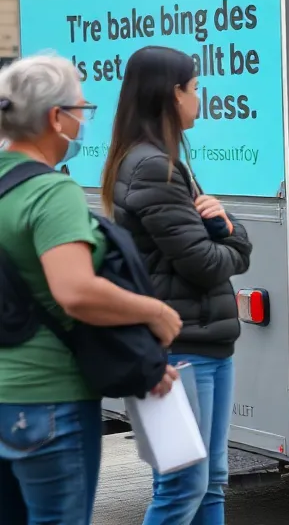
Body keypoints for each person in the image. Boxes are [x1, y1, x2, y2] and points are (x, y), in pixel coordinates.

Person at [0, 53, 180, 525]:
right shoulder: (50, 191)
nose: (84, 121)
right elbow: (76, 291)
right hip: (48, 401)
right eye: (82, 109)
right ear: (55, 118)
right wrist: (154, 312)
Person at [99, 46, 253, 525]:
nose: (200, 97)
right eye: (196, 87)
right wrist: (235, 234)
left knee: (210, 483)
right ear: (173, 95)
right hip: (182, 349)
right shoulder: (153, 168)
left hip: (204, 343)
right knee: (183, 485)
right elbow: (206, 264)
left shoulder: (156, 162)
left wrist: (222, 226)